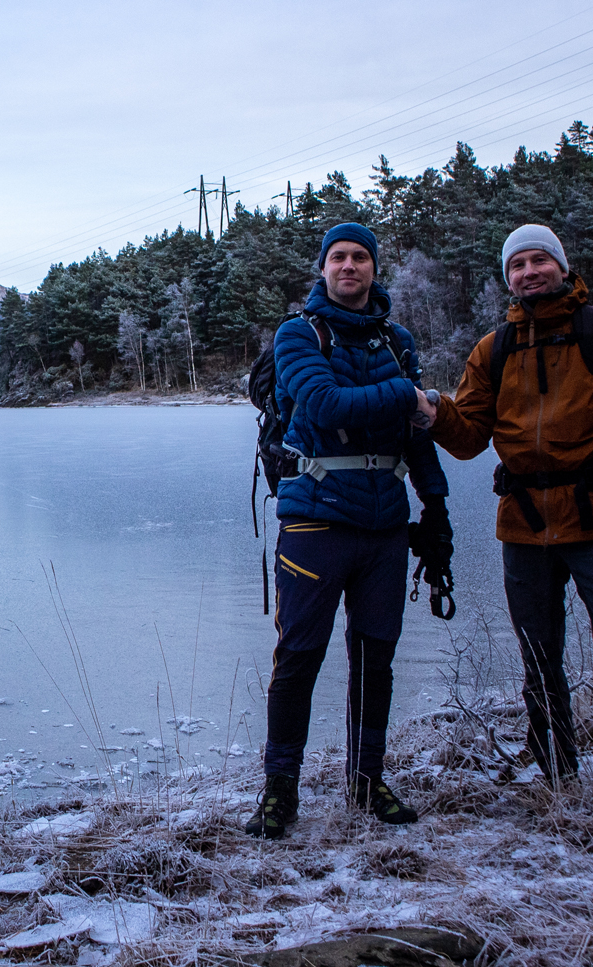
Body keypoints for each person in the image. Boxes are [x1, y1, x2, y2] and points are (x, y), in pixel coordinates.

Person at [425, 224, 593, 825]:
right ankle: (556, 774)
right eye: (517, 264)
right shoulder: (493, 349)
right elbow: (469, 438)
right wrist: (431, 410)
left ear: (562, 266)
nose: (528, 272)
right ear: (508, 279)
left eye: (538, 260)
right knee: (538, 657)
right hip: (523, 529)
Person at [245, 222, 451, 839]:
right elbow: (323, 405)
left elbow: (418, 436)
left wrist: (435, 511)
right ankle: (280, 792)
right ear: (324, 268)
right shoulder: (297, 333)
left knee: (375, 659)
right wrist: (408, 394)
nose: (349, 266)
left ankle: (367, 783)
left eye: (360, 256)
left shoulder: (397, 339)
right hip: (314, 521)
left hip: (386, 525)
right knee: (299, 657)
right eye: (339, 257)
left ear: (373, 268)